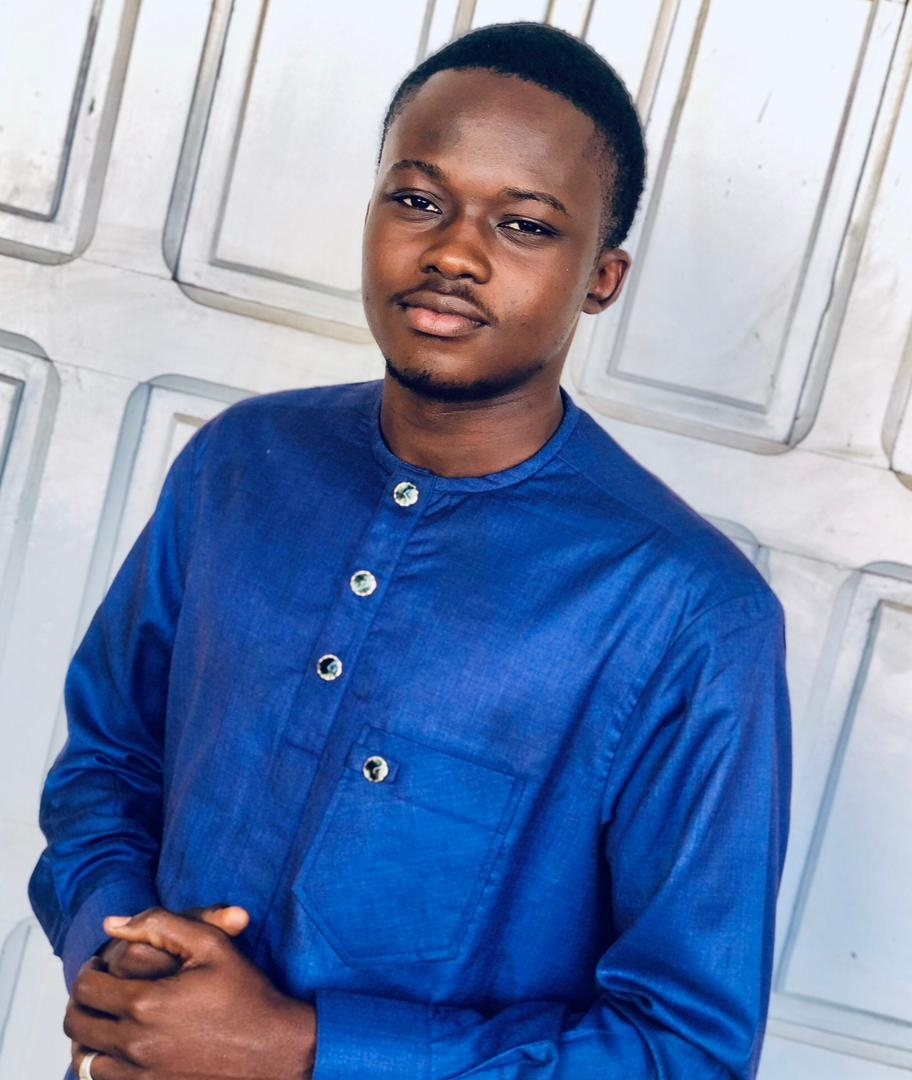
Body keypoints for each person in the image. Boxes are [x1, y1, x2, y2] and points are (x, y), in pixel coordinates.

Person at [30, 21, 791, 1080]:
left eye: (524, 224)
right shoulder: (240, 464)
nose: (454, 254)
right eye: (419, 201)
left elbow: (687, 1049)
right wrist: (117, 960)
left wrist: (301, 1049)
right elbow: (109, 762)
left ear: (602, 277)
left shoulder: (689, 615)